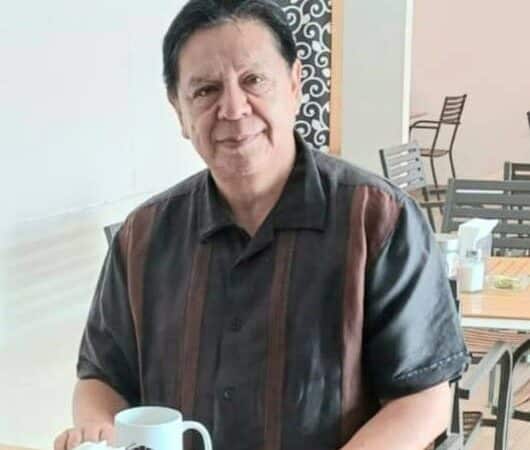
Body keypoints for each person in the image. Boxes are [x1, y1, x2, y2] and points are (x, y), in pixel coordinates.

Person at [54, 1, 469, 450]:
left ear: (294, 85)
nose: (233, 109)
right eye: (206, 90)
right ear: (179, 111)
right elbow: (101, 377)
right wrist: (98, 431)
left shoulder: (379, 219)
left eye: (253, 80)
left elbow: (422, 398)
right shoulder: (143, 236)